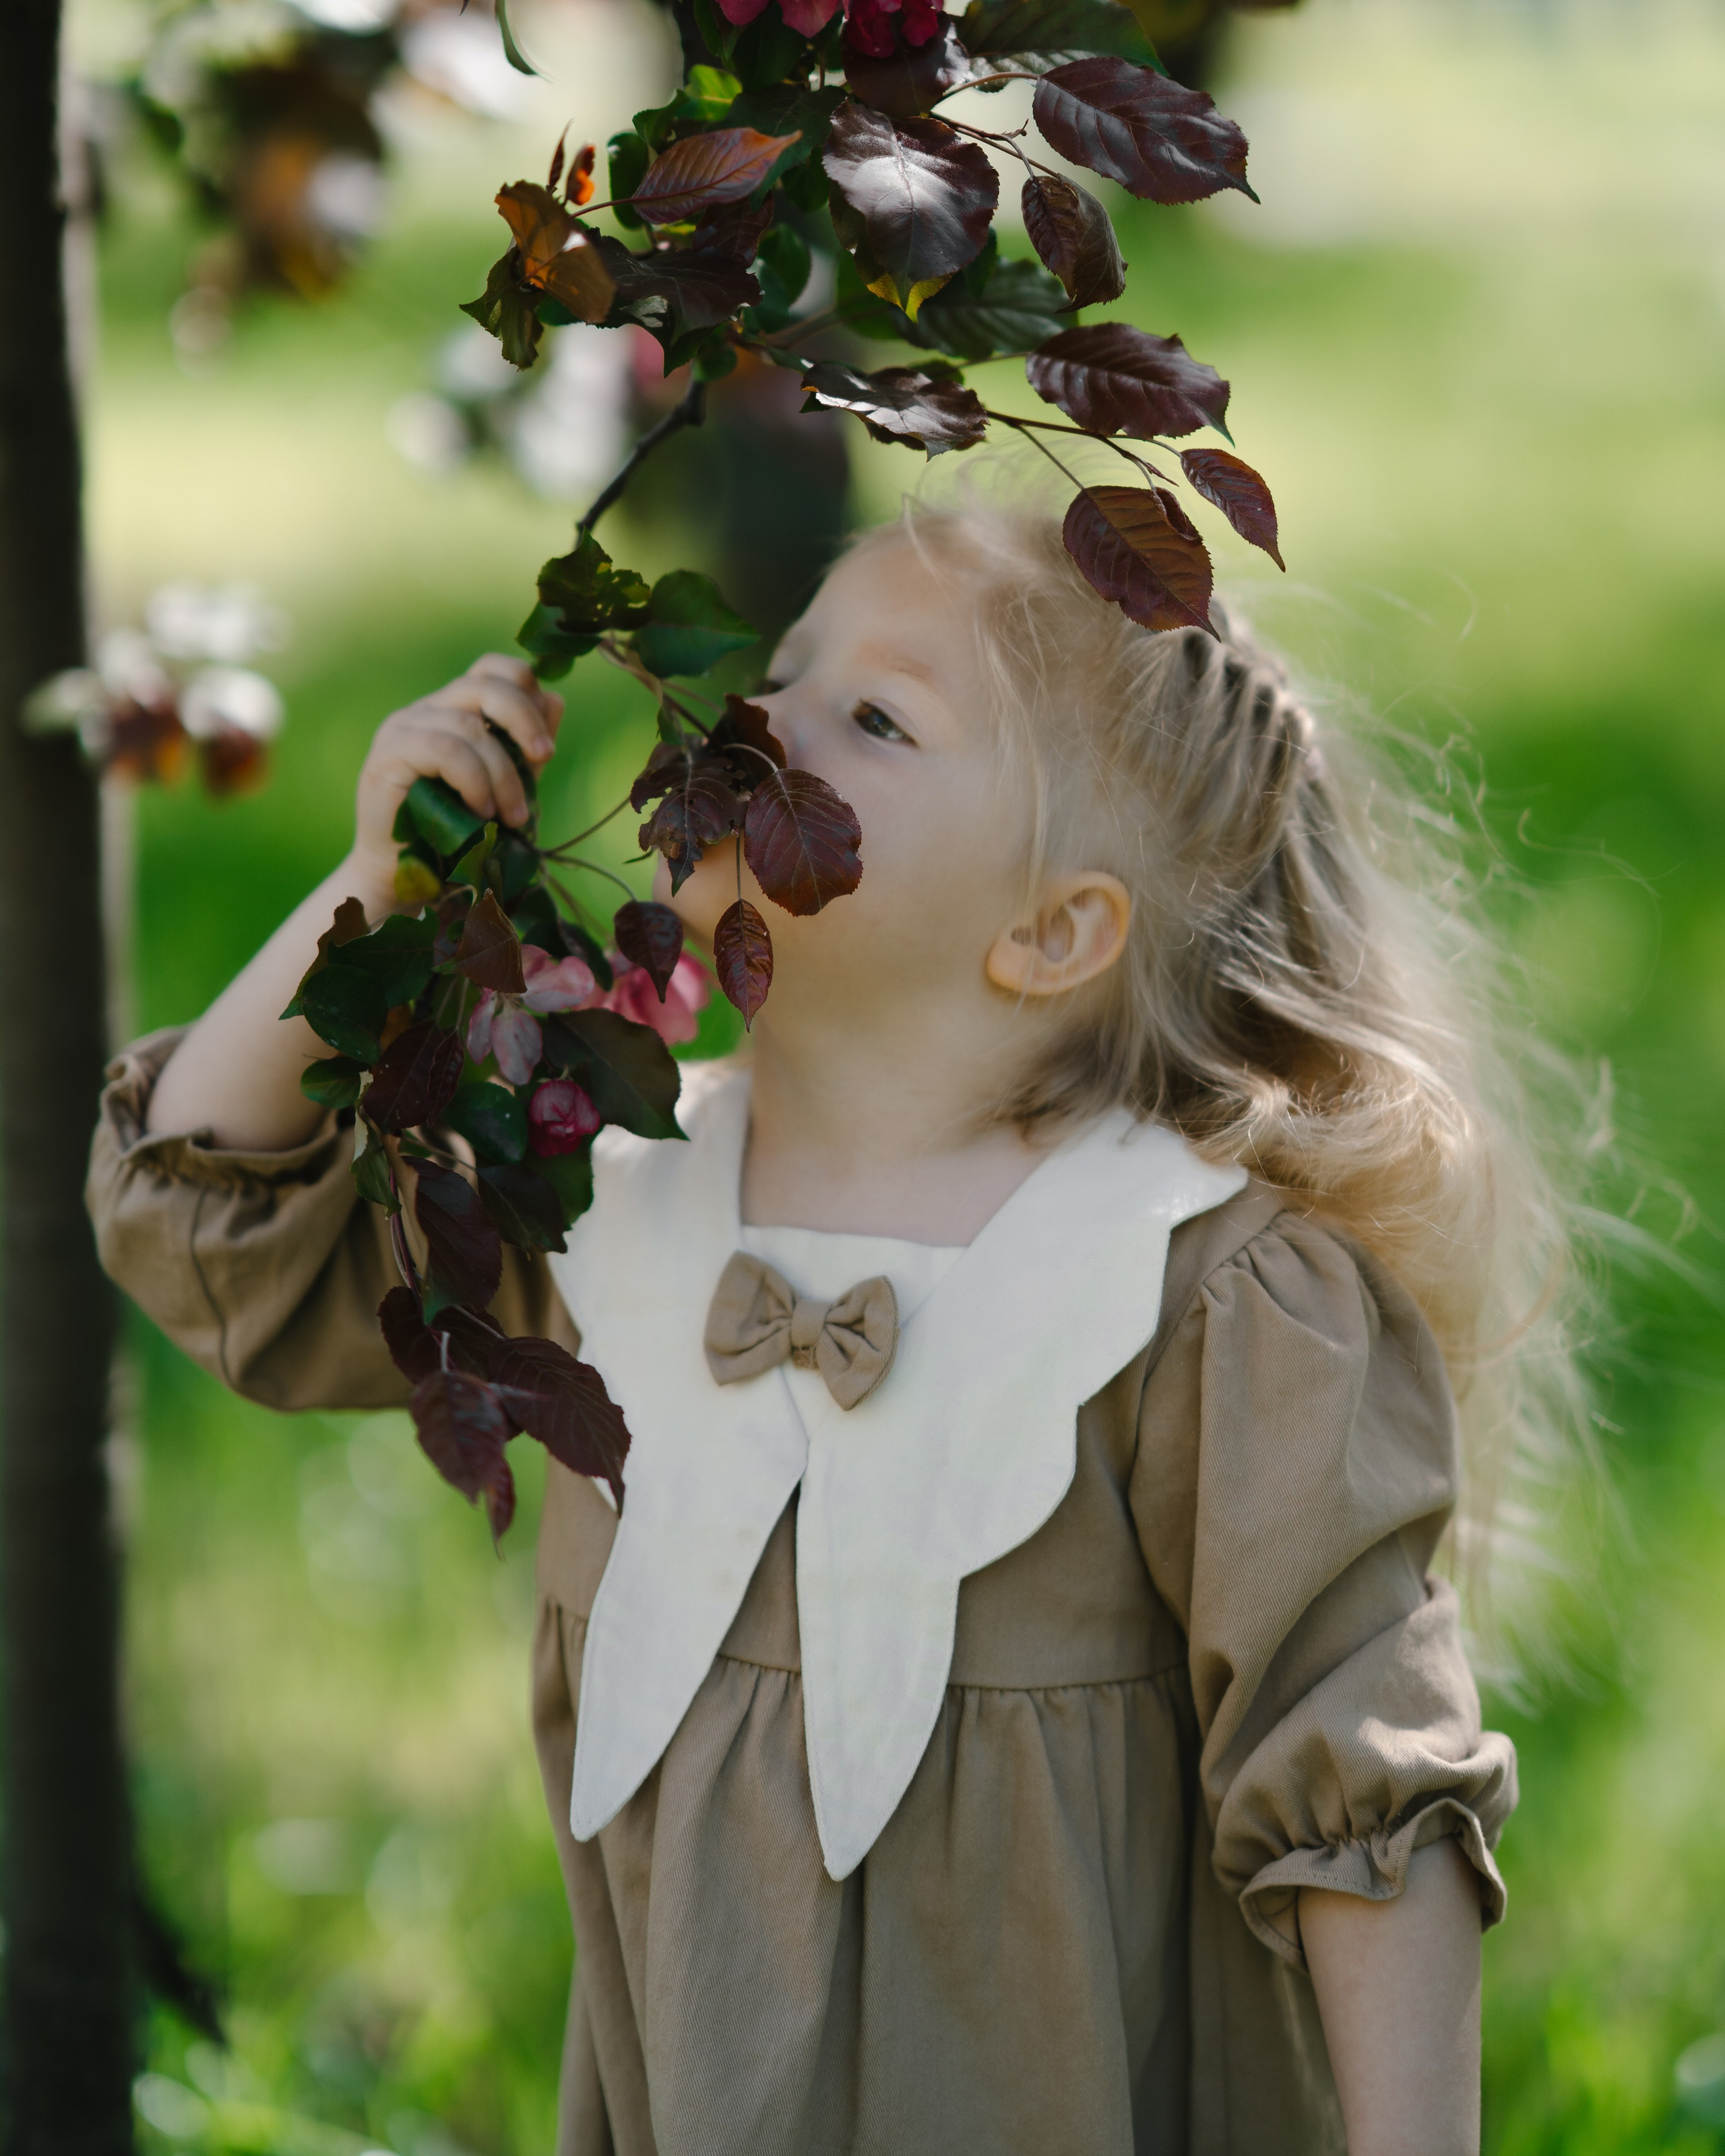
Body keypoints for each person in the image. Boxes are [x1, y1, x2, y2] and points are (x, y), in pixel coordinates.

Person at [89, 498, 1564, 2156]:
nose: (751, 719)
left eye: (873, 717)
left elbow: (1367, 1787)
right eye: (782, 668)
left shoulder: (1191, 1286)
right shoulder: (599, 1200)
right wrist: (379, 882)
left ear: (1051, 930)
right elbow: (213, 1213)